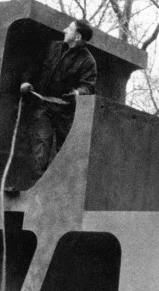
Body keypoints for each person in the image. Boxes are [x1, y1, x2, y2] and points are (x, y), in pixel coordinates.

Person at [7, 19, 98, 190]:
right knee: (40, 145)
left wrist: (77, 94)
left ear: (77, 36)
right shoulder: (53, 47)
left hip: (66, 112)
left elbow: (88, 86)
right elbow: (34, 66)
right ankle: (37, 190)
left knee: (65, 152)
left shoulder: (88, 61)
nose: (64, 30)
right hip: (43, 105)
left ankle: (61, 190)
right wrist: (26, 82)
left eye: (69, 29)